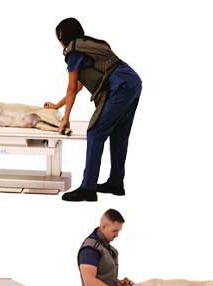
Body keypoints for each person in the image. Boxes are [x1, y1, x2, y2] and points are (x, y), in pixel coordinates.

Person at [46, 18, 143, 202]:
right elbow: (78, 86)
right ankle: (115, 183)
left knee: (95, 132)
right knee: (119, 134)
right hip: (132, 82)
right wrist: (57, 106)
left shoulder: (73, 52)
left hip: (120, 86)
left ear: (62, 37)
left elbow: (72, 87)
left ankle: (88, 189)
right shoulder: (90, 46)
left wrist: (65, 118)